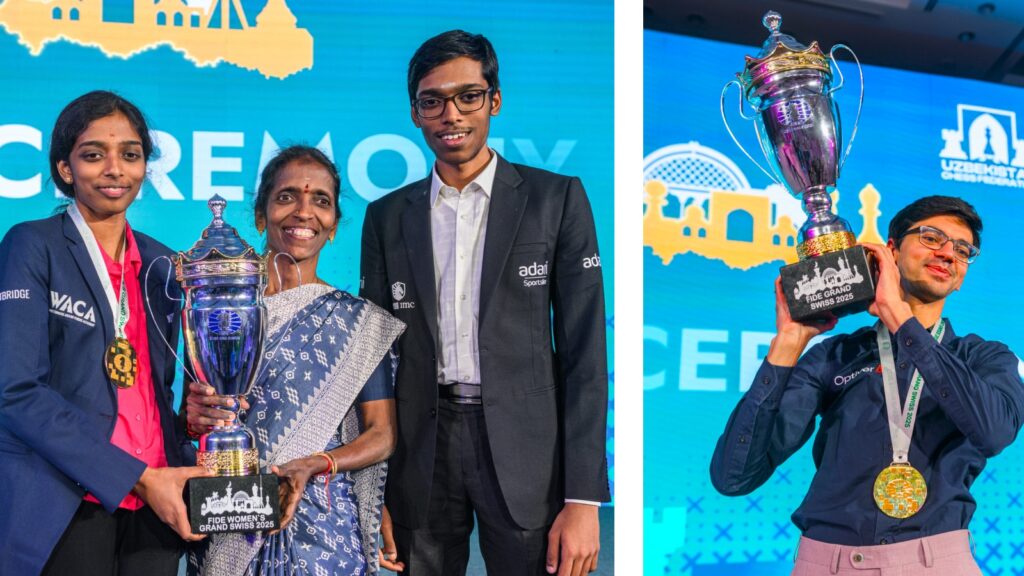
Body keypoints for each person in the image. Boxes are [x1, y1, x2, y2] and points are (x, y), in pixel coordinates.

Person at [360, 30, 610, 576]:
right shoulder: (386, 216)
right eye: (432, 101)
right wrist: (371, 487)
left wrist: (583, 498)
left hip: (527, 454)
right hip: (420, 453)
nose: (451, 115)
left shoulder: (556, 199)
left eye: (468, 96)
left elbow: (585, 357)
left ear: (494, 100)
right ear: (415, 113)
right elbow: (374, 361)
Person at [710, 195, 1024, 575]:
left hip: (937, 563)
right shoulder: (835, 355)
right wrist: (789, 342)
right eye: (931, 238)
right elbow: (734, 477)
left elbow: (993, 432)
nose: (947, 254)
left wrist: (899, 317)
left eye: (962, 250)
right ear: (891, 251)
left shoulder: (985, 358)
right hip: (827, 563)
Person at [0, 90, 210, 576]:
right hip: (66, 496)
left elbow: (149, 393)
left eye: (130, 155)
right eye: (94, 155)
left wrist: (190, 421)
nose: (115, 169)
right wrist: (134, 476)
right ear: (65, 168)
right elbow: (15, 390)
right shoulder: (33, 245)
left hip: (156, 503)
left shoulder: (163, 264)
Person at [185, 145, 405, 576]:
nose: (304, 212)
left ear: (334, 224)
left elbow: (381, 434)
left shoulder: (358, 322)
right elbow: (188, 419)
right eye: (286, 197)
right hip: (230, 512)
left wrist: (315, 463)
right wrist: (194, 419)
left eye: (321, 201)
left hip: (324, 525)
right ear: (261, 215)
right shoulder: (215, 307)